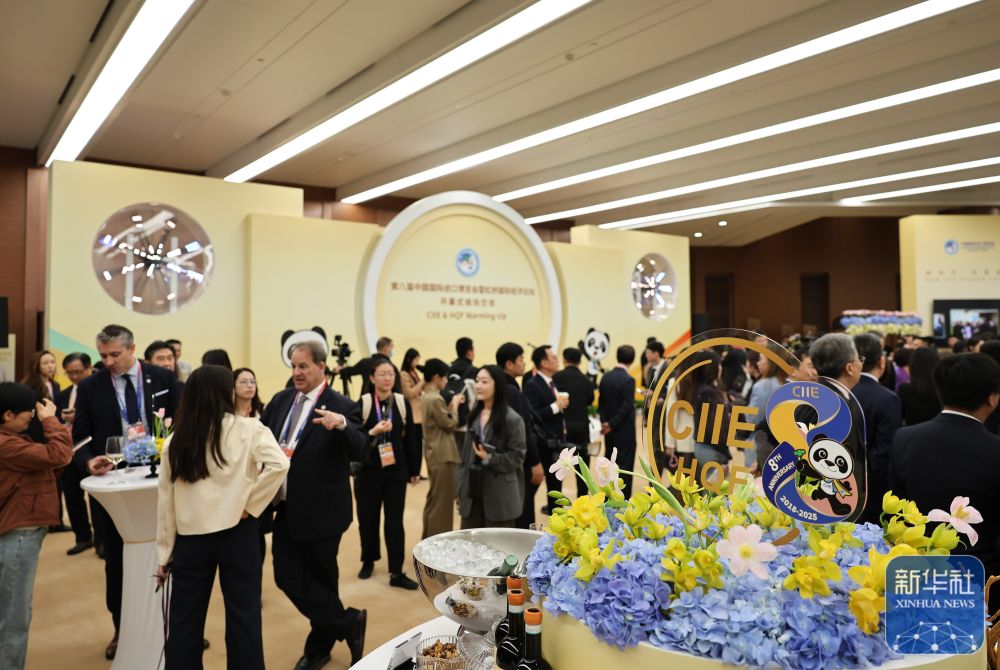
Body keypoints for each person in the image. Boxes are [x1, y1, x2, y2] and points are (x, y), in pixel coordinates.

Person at [156, 366, 289, 670]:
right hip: (238, 532)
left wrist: (164, 554)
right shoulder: (249, 429)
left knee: (184, 622)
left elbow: (166, 503)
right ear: (226, 392)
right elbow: (280, 465)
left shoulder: (176, 440)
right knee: (244, 616)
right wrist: (251, 505)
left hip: (190, 540)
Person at [72, 324, 180, 660]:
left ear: (132, 349)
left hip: (162, 480)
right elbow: (80, 437)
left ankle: (176, 628)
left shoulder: (162, 378)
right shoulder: (90, 386)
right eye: (103, 355)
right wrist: (88, 461)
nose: (108, 362)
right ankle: (123, 628)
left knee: (173, 555)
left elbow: (182, 421)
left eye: (115, 354)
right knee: (117, 560)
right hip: (117, 485)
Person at [261, 341, 367, 670]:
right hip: (284, 506)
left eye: (303, 366)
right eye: (293, 366)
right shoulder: (280, 400)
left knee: (322, 581)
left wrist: (343, 426)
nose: (296, 372)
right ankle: (348, 622)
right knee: (286, 576)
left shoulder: (341, 405)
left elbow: (361, 449)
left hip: (323, 512)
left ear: (322, 367)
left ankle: (319, 648)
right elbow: (261, 438)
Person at [889, 353, 1000, 610]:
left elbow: (896, 511)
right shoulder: (995, 450)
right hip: (981, 580)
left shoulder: (905, 439)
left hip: (915, 574)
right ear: (991, 398)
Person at [0, 384, 72, 670]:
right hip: (17, 535)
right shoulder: (7, 444)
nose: (33, 417)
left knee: (13, 611)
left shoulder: (12, 440)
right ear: (8, 415)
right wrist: (51, 421)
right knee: (14, 617)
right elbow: (58, 455)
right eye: (28, 413)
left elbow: (45, 465)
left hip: (20, 529)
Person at [354, 359, 421, 589]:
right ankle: (368, 560)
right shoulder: (364, 403)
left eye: (391, 374)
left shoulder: (401, 402)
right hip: (368, 471)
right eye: (382, 374)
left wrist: (414, 470)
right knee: (368, 519)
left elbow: (411, 438)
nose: (387, 378)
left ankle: (396, 572)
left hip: (395, 471)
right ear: (372, 378)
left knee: (395, 523)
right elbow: (354, 437)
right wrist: (373, 431)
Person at [805, 333, 866, 517]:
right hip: (829, 509)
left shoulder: (814, 394)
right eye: (859, 359)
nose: (861, 364)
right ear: (849, 368)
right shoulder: (834, 404)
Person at [457, 365, 526, 528]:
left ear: (497, 385)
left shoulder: (512, 419)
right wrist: (460, 489)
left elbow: (517, 457)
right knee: (469, 541)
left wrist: (489, 458)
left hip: (500, 496)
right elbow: (465, 457)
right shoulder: (474, 415)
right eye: (477, 381)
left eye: (484, 381)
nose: (478, 386)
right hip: (473, 493)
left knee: (497, 543)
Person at [852, 334, 902, 524]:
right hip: (872, 490)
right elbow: (884, 451)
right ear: (881, 362)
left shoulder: (838, 393)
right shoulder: (887, 399)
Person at [495, 342, 543, 529]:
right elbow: (525, 430)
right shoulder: (513, 393)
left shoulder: (499, 389)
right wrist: (535, 462)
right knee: (523, 508)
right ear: (509, 364)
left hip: (500, 459)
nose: (524, 363)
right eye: (521, 359)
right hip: (519, 460)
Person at [419, 358, 465, 538]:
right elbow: (450, 423)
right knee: (443, 505)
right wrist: (455, 406)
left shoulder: (426, 396)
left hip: (434, 453)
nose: (446, 381)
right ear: (436, 377)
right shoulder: (435, 399)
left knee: (434, 501)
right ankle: (438, 543)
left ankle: (427, 539)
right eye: (445, 378)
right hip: (443, 455)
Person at [57, 352, 95, 555]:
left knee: (97, 499)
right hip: (68, 451)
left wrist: (77, 416)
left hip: (90, 450)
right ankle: (83, 537)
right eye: (69, 373)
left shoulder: (98, 390)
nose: (73, 376)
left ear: (88, 368)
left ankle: (102, 541)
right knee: (72, 497)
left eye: (77, 372)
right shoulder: (64, 394)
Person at [523, 345, 569, 513]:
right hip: (543, 446)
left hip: (555, 444)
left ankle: (557, 519)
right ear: (543, 363)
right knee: (532, 490)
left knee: (556, 490)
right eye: (553, 358)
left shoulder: (550, 382)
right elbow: (532, 415)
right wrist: (555, 406)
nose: (557, 360)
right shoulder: (533, 385)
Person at [598, 345, 637, 498]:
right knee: (625, 469)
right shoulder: (629, 380)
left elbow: (601, 403)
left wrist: (605, 423)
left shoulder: (605, 377)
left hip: (609, 432)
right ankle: (623, 501)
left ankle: (607, 499)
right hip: (624, 432)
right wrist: (612, 424)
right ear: (632, 360)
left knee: (609, 466)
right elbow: (626, 406)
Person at [744, 346, 788, 471]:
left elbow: (752, 418)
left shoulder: (761, 386)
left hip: (761, 442)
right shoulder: (788, 384)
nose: (758, 363)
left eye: (761, 359)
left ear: (771, 362)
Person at [552, 347, 595, 452]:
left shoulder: (555, 377)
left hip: (562, 425)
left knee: (563, 458)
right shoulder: (587, 380)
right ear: (580, 362)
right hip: (582, 426)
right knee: (582, 457)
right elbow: (590, 401)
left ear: (564, 360)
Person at [898, 347, 941, 426]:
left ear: (912, 366)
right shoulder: (941, 389)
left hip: (912, 431)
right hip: (939, 430)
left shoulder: (905, 389)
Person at [399, 348, 425, 474]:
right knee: (412, 446)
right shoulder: (404, 374)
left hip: (419, 414)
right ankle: (412, 472)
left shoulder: (414, 373)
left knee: (419, 446)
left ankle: (417, 472)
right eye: (415, 360)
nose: (417, 363)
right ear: (409, 360)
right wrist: (422, 382)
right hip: (411, 414)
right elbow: (409, 393)